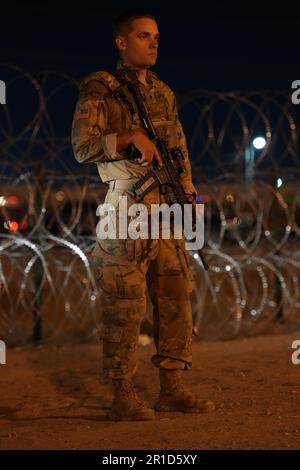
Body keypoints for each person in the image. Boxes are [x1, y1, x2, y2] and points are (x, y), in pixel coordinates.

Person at [71, 10, 214, 420]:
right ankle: (123, 394)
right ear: (122, 42)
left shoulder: (163, 93)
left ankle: (172, 388)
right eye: (144, 36)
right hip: (128, 210)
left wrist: (189, 199)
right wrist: (127, 138)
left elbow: (178, 152)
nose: (154, 43)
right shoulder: (102, 88)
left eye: (156, 37)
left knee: (175, 299)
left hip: (167, 211)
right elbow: (83, 147)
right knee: (125, 304)